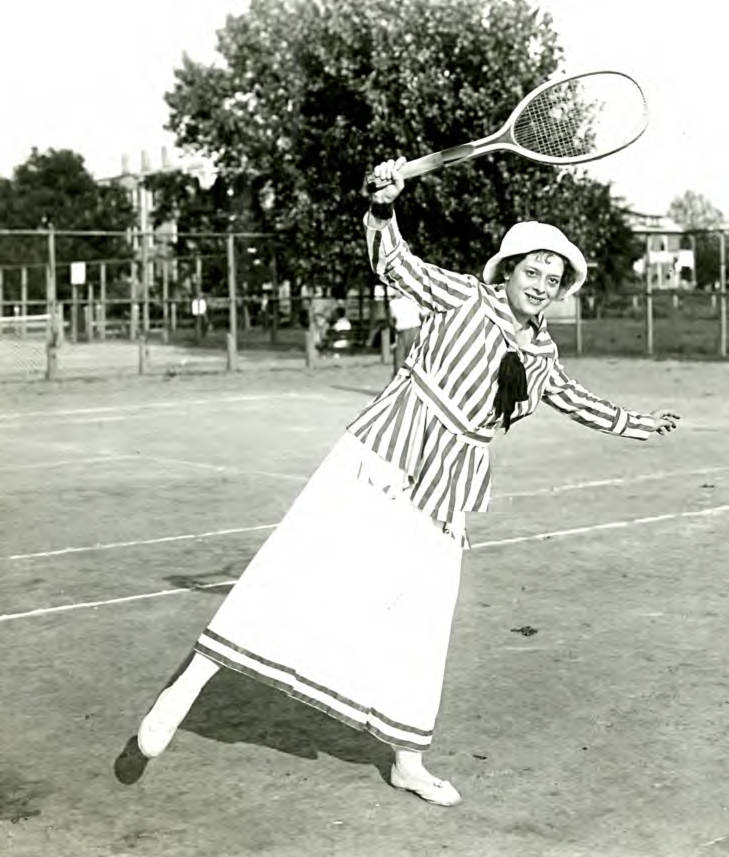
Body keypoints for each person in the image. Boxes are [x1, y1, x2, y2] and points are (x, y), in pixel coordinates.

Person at [136, 156, 680, 807]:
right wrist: (382, 204)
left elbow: (568, 395)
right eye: (531, 269)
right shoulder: (458, 293)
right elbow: (392, 261)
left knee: (420, 622)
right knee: (296, 567)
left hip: (446, 495)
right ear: (505, 270)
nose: (540, 282)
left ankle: (406, 758)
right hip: (379, 457)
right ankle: (188, 686)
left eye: (552, 277)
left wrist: (634, 422)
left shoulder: (540, 353)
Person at [388, 291, 422, 375]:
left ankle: (400, 378)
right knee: (415, 356)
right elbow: (422, 315)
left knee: (400, 357)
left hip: (403, 332)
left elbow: (391, 321)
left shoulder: (393, 303)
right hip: (414, 330)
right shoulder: (414, 300)